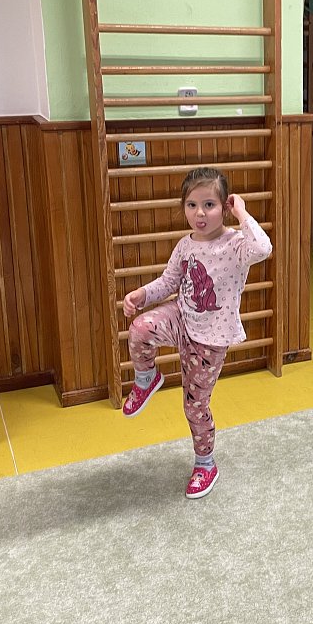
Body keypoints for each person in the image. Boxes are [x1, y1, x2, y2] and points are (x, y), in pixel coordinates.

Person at [121, 167, 272, 498]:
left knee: (195, 405)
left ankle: (206, 464)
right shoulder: (185, 245)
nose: (200, 213)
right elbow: (169, 282)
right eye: (192, 205)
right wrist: (142, 295)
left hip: (210, 340)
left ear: (224, 206)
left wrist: (242, 213)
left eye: (209, 205)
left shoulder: (236, 244)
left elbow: (263, 248)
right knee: (140, 328)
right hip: (181, 318)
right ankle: (146, 379)